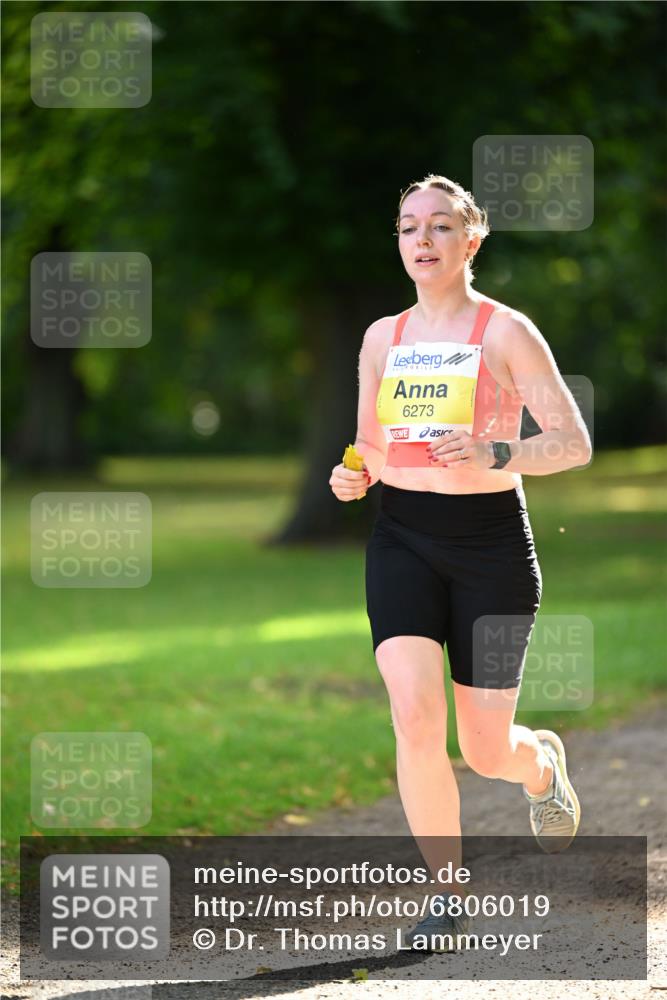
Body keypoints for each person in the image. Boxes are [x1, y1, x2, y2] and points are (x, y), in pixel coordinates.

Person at [329, 174, 591, 951]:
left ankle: (540, 763)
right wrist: (353, 472)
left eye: (440, 227)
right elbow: (370, 444)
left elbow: (571, 444)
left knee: (483, 752)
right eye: (408, 227)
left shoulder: (507, 332)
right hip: (401, 537)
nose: (422, 241)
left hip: (492, 548)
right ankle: (444, 895)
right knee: (413, 717)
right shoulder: (383, 337)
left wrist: (493, 448)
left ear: (470, 240)